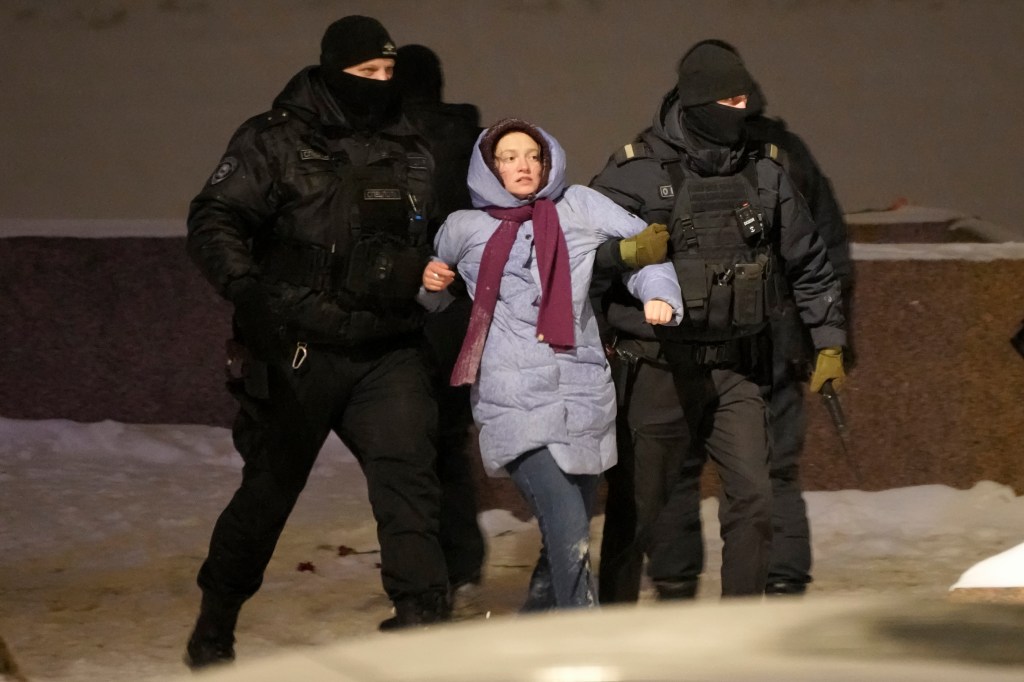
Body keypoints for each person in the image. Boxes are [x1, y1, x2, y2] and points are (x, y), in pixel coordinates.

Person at [183, 16, 450, 670]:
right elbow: (215, 217)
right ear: (333, 71)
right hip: (299, 345)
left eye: (388, 73)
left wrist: (429, 272)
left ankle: (422, 624)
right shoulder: (274, 139)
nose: (378, 85)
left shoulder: (411, 142)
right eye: (364, 74)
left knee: (409, 482)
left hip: (387, 347)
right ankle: (217, 620)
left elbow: (421, 233)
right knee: (270, 491)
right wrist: (246, 291)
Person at [590, 39, 847, 599]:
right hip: (657, 367)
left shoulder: (765, 171)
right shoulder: (635, 171)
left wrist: (829, 342)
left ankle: (740, 631)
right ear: (699, 102)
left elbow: (809, 260)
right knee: (636, 510)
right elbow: (576, 257)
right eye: (728, 101)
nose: (740, 113)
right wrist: (623, 256)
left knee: (755, 500)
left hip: (737, 368)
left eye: (743, 100)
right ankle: (606, 627)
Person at [420, 117, 681, 610]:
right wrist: (430, 282)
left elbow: (649, 249)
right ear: (489, 166)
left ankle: (535, 637)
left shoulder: (577, 205)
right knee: (568, 529)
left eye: (532, 156)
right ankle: (583, 637)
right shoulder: (464, 226)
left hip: (580, 390)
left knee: (567, 533)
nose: (523, 165)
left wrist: (659, 295)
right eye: (509, 156)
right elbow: (433, 294)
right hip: (511, 393)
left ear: (548, 161)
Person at [393, 44, 487, 613]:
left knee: (410, 451)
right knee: (448, 440)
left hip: (411, 308)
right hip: (463, 312)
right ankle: (463, 556)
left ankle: (435, 573)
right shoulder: (473, 143)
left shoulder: (396, 146)